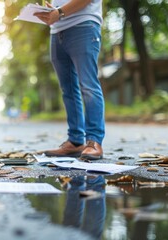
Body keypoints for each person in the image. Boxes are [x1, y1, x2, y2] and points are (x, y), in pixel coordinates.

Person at [34, 0, 105, 160]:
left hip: (84, 25)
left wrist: (58, 13)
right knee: (68, 90)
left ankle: (94, 141)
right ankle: (75, 141)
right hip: (57, 31)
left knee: (88, 86)